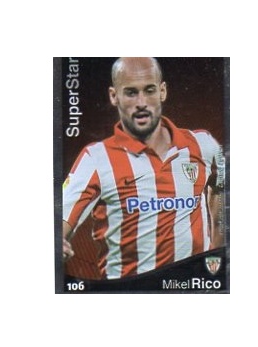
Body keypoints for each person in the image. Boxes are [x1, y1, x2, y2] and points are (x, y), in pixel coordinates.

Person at [62, 57, 226, 279]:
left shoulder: (203, 144)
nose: (141, 102)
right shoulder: (96, 159)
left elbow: (219, 186)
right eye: (131, 92)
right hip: (129, 289)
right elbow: (59, 224)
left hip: (192, 286)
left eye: (149, 91)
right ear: (114, 96)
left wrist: (216, 248)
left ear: (162, 91)